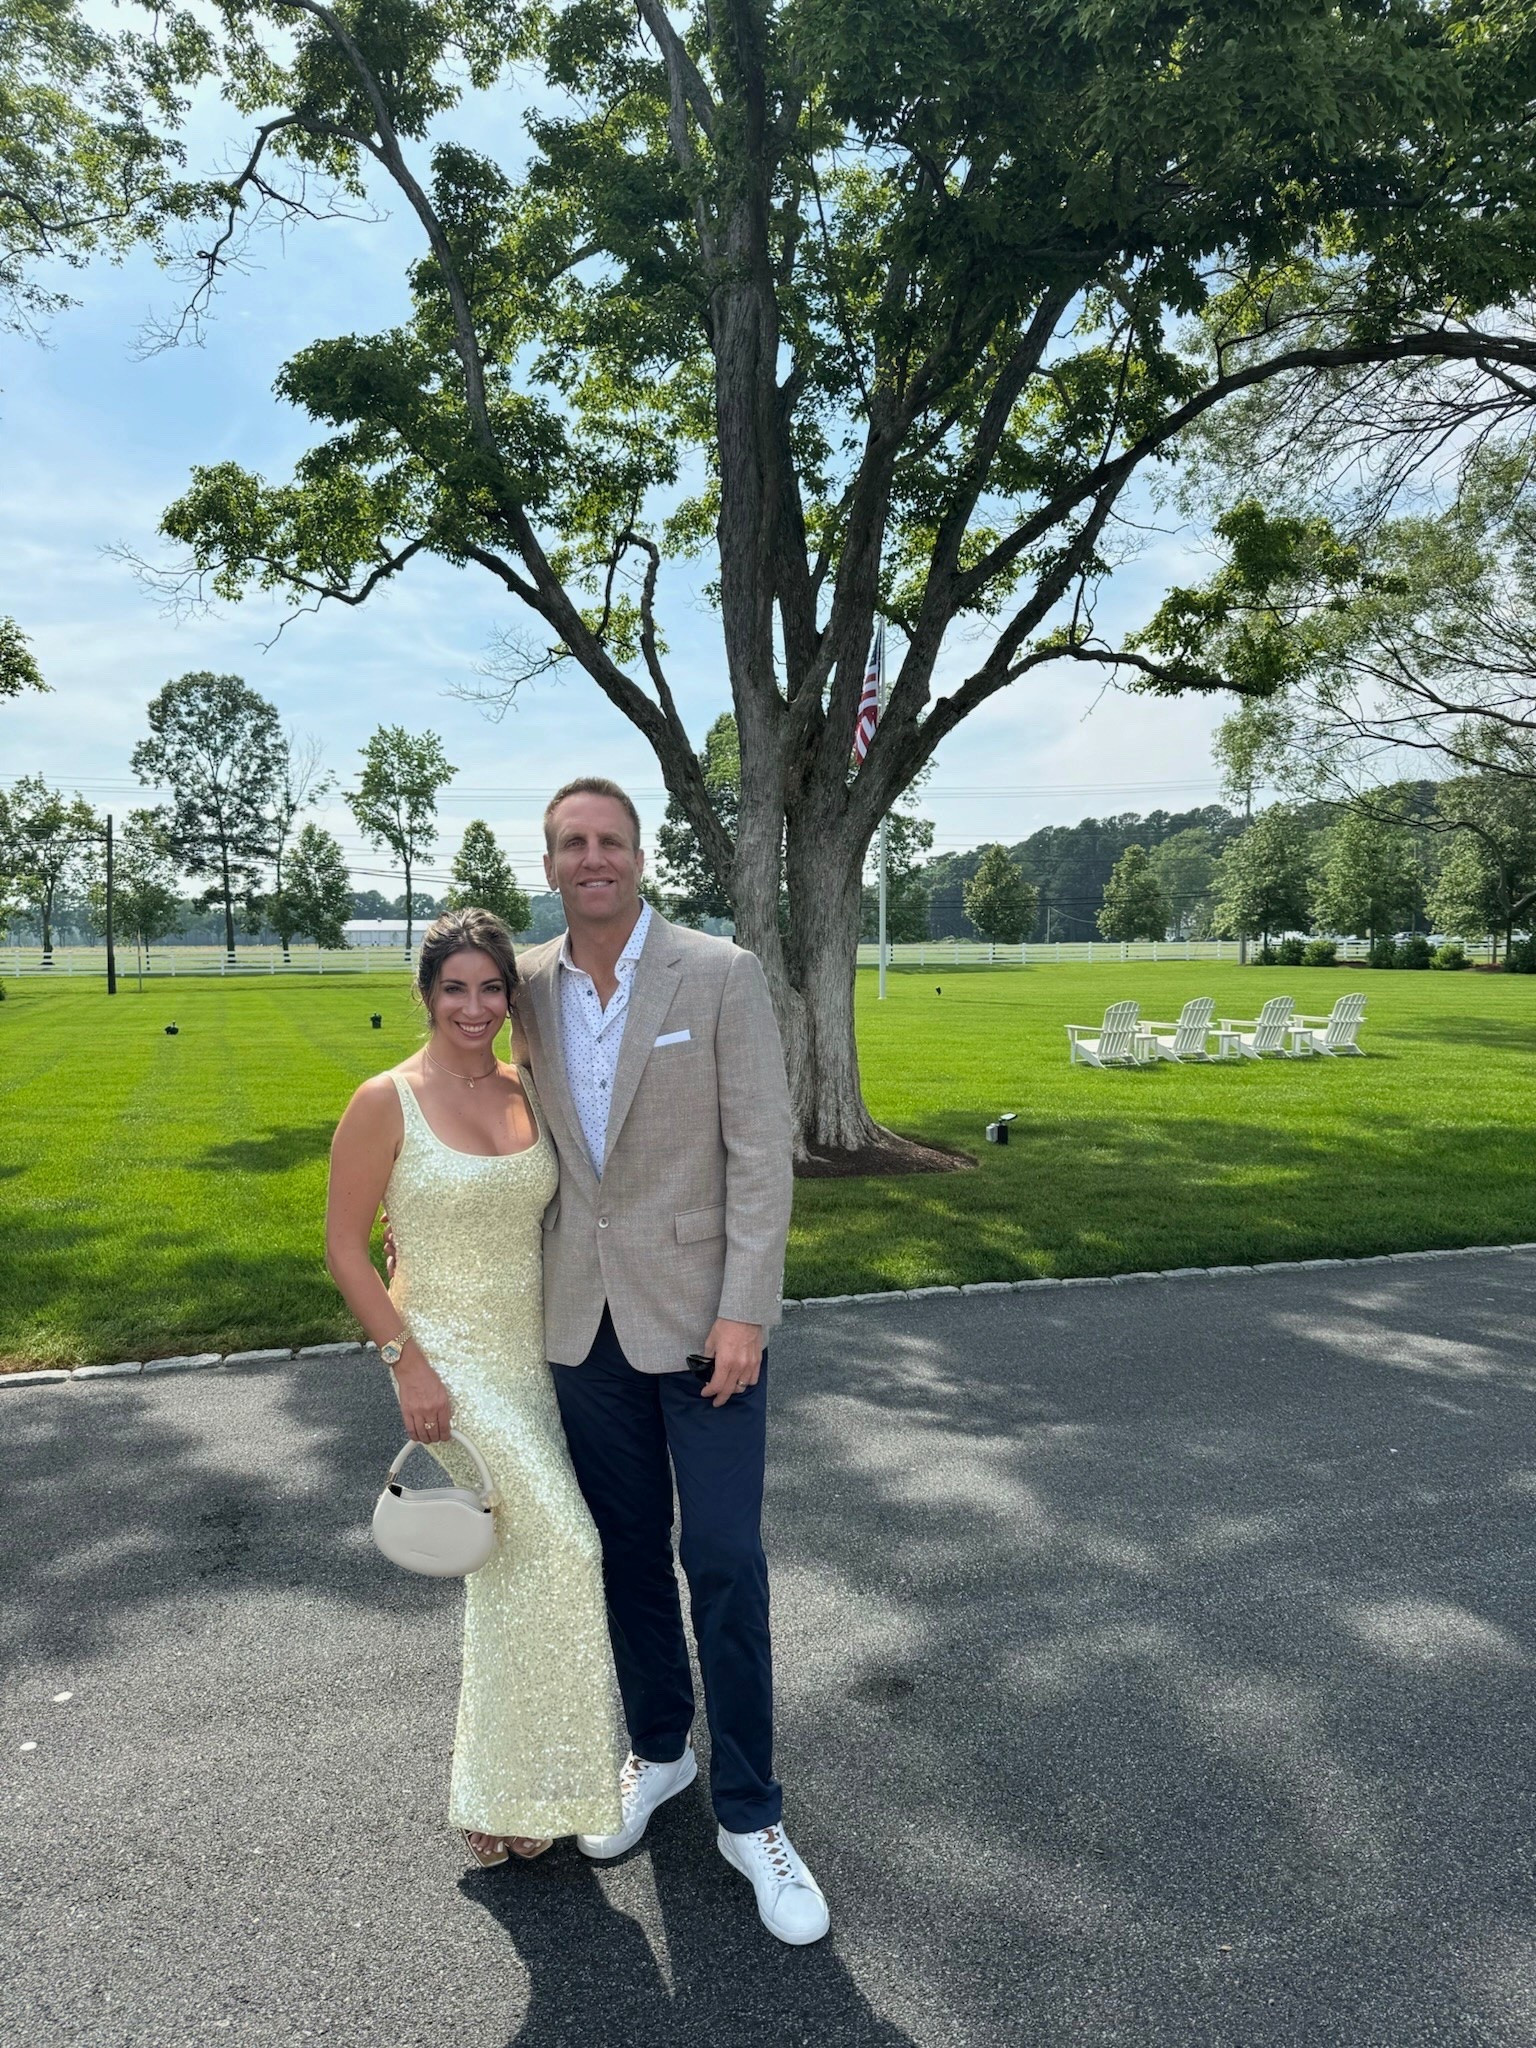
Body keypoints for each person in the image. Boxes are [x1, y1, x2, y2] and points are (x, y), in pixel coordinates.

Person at [512, 776, 829, 1946]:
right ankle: (660, 1752)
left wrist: (746, 1308)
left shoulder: (722, 971)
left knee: (731, 1561)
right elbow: (497, 1113)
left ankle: (753, 1815)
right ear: (551, 864)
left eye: (609, 839)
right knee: (628, 1554)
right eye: (571, 843)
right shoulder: (531, 987)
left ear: (639, 855)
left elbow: (762, 1155)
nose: (592, 857)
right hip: (582, 1323)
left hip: (707, 1327)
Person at [325, 908, 622, 1871]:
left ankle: (512, 1798)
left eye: (492, 988)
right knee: (569, 1550)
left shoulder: (528, 1087)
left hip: (534, 1361)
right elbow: (343, 1249)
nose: (474, 1006)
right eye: (454, 988)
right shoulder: (386, 1100)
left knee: (515, 1573)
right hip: (446, 1367)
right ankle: (547, 1784)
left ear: (510, 996)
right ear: (424, 993)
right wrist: (405, 1362)